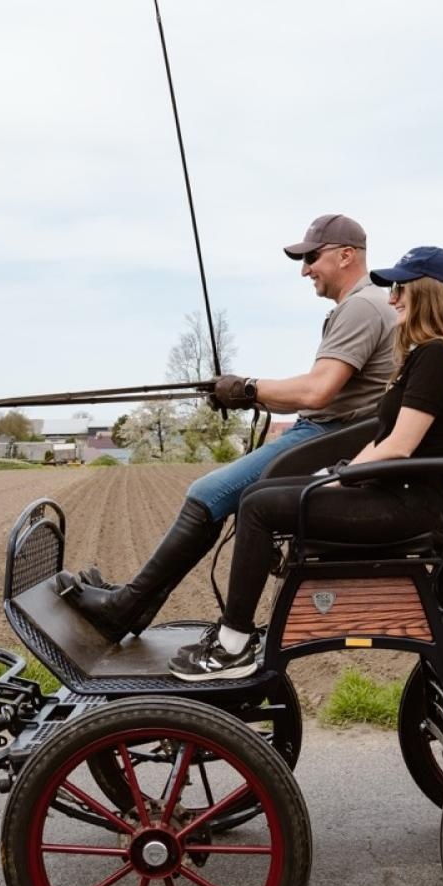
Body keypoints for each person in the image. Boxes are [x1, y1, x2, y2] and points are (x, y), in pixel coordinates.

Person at [61, 213, 397, 642]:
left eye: (311, 257)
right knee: (213, 494)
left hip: (324, 437)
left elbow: (317, 392)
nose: (304, 269)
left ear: (347, 255)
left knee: (206, 493)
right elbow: (321, 388)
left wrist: (249, 389)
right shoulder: (370, 305)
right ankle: (135, 606)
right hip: (327, 433)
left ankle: (125, 608)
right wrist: (241, 391)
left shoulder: (361, 308)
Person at [168, 246, 443, 680]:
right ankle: (236, 639)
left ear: (426, 294)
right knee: (259, 493)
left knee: (257, 507)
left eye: (399, 289)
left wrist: (339, 479)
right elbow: (387, 438)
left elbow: (399, 445)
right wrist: (337, 473)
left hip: (402, 506)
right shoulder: (430, 354)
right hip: (398, 496)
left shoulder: (436, 355)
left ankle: (234, 644)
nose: (392, 299)